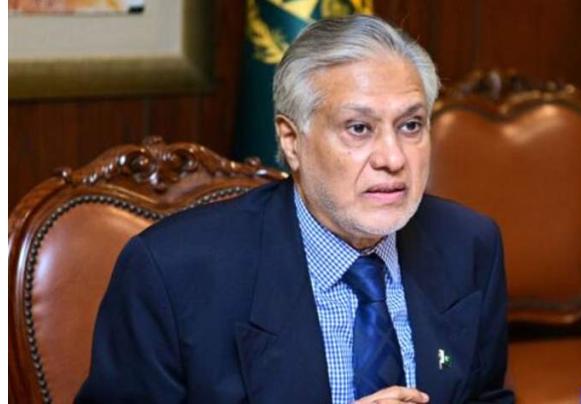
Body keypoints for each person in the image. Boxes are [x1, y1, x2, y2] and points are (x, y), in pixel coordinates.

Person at [76, 15, 513, 404]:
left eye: (411, 125)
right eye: (359, 128)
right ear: (291, 141)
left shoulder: (468, 245)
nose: (393, 158)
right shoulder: (173, 272)